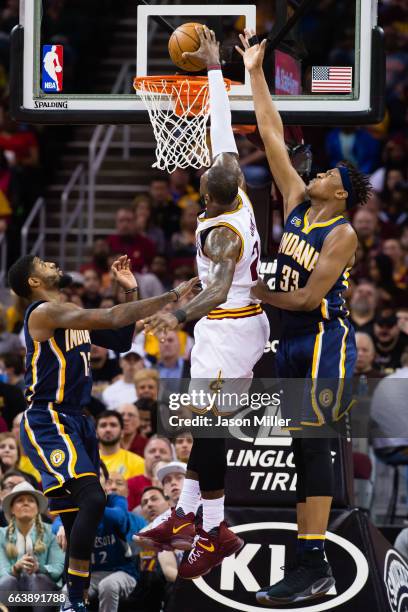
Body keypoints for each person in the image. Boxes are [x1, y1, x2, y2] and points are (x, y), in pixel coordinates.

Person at [236, 29, 371, 605]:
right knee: (299, 449)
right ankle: (309, 561)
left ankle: (313, 562)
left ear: (339, 195)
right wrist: (255, 74)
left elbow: (306, 299)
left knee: (315, 445)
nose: (313, 174)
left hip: (323, 339)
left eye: (326, 176)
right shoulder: (298, 204)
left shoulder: (341, 234)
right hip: (291, 340)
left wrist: (248, 289)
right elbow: (270, 134)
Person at [139, 27, 269, 580]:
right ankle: (188, 514)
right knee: (202, 425)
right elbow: (221, 131)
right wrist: (216, 69)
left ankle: (214, 529)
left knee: (209, 432)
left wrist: (178, 314)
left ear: (204, 194)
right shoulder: (235, 190)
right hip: (229, 328)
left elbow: (215, 287)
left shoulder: (219, 231)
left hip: (227, 325)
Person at [6, 253, 196, 611]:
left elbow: (121, 338)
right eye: (43, 263)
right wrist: (173, 295)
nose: (52, 263)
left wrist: (130, 290)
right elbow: (109, 317)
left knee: (80, 515)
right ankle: (73, 598)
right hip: (48, 418)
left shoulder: (69, 312)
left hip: (76, 419)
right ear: (33, 281)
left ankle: (74, 600)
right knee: (93, 499)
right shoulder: (44, 312)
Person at [0, 482, 64, 611]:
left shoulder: (52, 532)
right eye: (20, 500)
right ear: (12, 509)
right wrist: (16, 568)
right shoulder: (0, 534)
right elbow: (2, 571)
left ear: (37, 508)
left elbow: (58, 569)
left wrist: (39, 567)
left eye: (31, 500)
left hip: (46, 591)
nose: (26, 503)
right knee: (7, 581)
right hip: (12, 589)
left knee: (38, 579)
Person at [128, 435, 173, 511]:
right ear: (144, 457)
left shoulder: (180, 482)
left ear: (171, 457)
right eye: (152, 451)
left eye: (163, 451)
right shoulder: (131, 484)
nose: (157, 455)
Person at [96, 410, 144, 479]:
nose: (108, 429)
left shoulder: (137, 462)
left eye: (113, 425)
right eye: (103, 425)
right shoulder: (87, 461)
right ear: (96, 432)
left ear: (122, 432)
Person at [107, 207, 157, 272]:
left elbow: (152, 267)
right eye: (121, 220)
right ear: (116, 223)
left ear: (135, 222)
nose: (125, 224)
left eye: (128, 220)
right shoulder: (110, 241)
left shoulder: (147, 243)